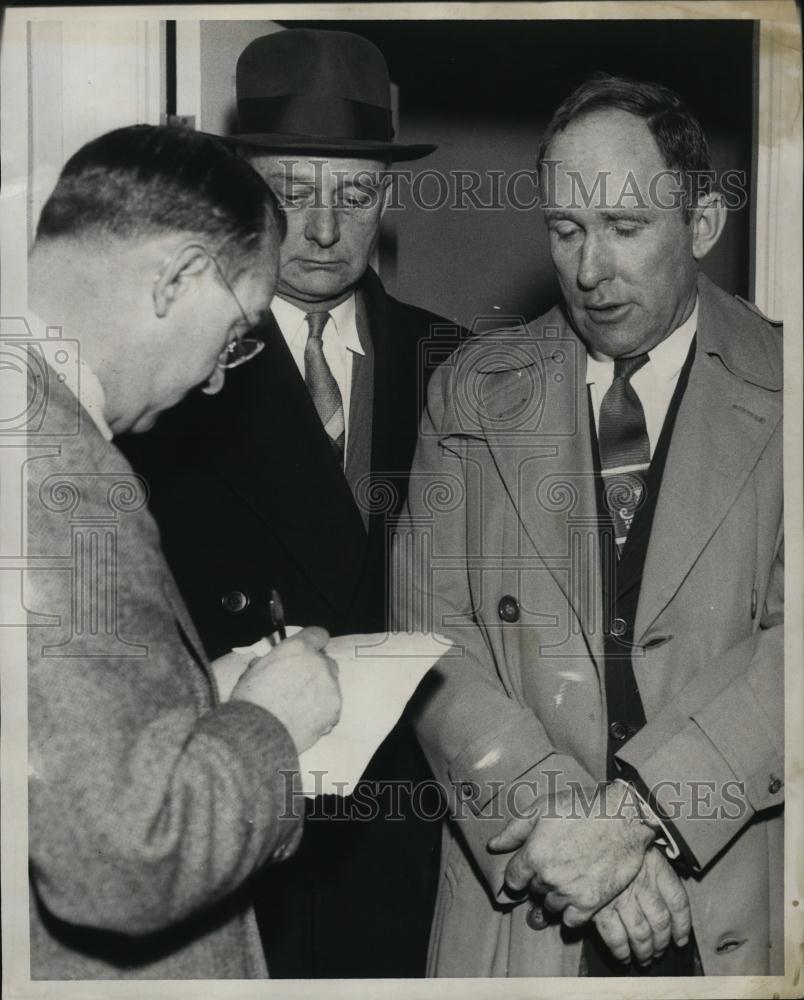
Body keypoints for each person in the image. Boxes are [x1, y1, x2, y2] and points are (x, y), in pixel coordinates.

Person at [395, 75, 783, 978]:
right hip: (534, 898)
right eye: (566, 230)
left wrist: (640, 814)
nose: (590, 270)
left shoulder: (785, 382)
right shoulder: (471, 389)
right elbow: (430, 637)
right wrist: (574, 835)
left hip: (729, 897)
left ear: (703, 222)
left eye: (625, 227)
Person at [119, 29, 461, 978]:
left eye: (354, 195)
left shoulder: (455, 363)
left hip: (400, 827)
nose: (321, 229)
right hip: (237, 818)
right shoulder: (168, 379)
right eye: (292, 192)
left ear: (387, 198)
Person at [25, 124, 342, 979]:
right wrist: (272, 721)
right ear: (176, 278)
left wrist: (202, 697)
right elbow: (124, 861)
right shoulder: (66, 479)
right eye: (236, 334)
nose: (215, 379)